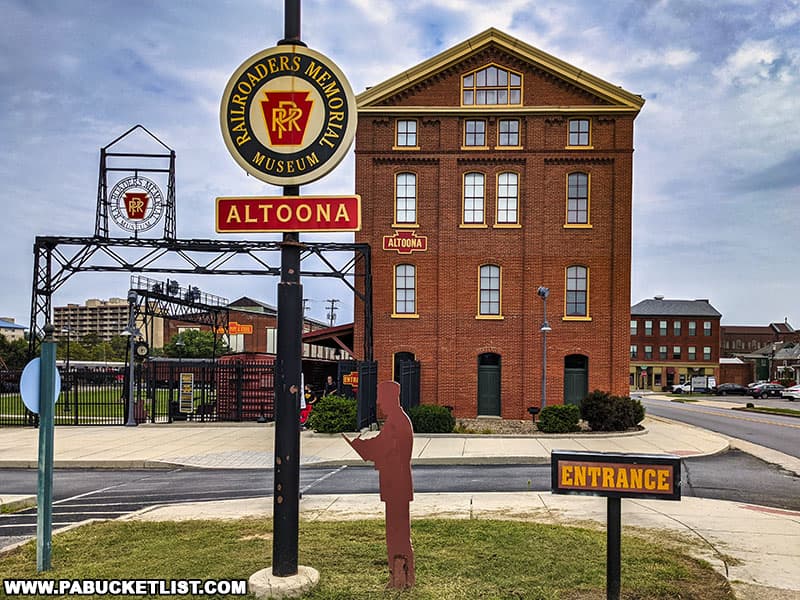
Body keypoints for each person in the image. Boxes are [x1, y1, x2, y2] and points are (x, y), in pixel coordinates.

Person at [343, 381, 415, 588]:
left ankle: (401, 578)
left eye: (381, 398)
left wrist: (359, 445)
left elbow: (380, 448)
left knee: (397, 532)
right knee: (397, 531)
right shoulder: (397, 420)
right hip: (396, 483)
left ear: (391, 398)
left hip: (396, 484)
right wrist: (363, 445)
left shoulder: (396, 422)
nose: (379, 403)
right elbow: (382, 446)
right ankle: (400, 577)